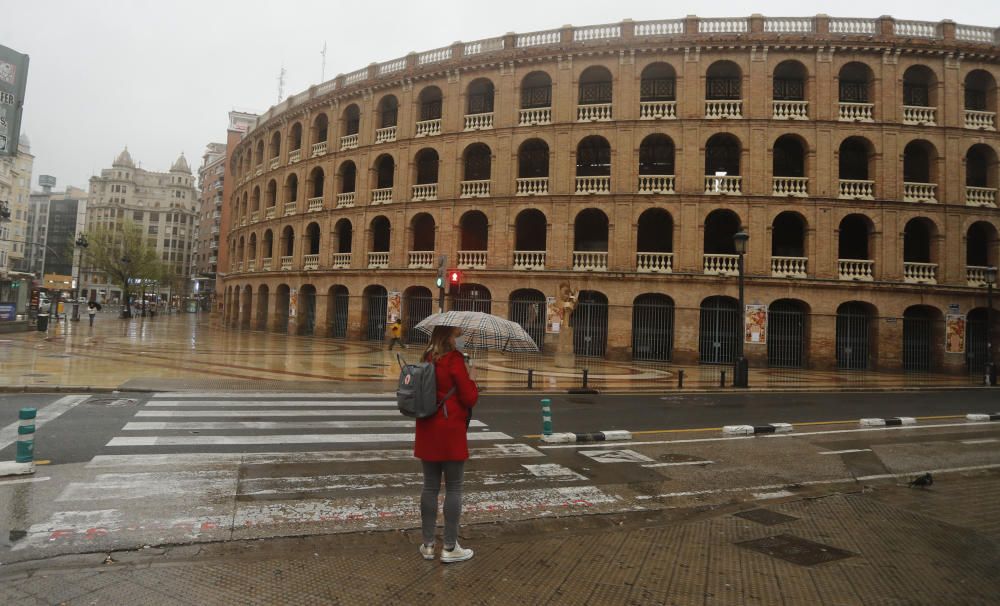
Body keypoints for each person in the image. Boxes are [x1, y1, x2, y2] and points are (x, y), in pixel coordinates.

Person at [414, 325, 478, 563]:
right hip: (450, 430)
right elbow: (469, 397)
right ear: (448, 337)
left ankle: (428, 545)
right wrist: (472, 378)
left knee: (430, 487)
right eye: (456, 335)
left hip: (427, 427)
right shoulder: (454, 360)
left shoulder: (426, 357)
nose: (458, 339)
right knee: (454, 487)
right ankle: (450, 547)